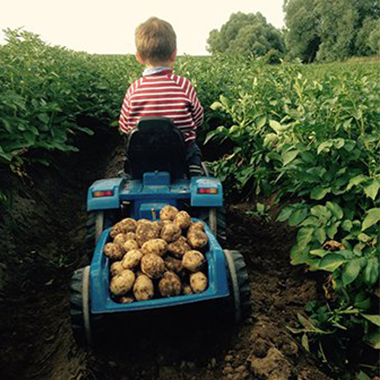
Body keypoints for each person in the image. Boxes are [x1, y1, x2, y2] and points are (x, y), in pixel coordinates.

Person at [119, 17, 203, 176]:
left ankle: (130, 177)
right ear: (174, 54)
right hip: (179, 156)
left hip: (142, 158)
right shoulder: (183, 85)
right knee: (192, 146)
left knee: (131, 149)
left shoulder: (134, 89)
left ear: (138, 57)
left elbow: (124, 126)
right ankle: (193, 168)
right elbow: (198, 118)